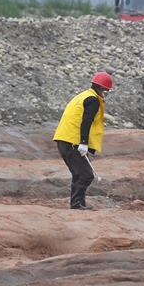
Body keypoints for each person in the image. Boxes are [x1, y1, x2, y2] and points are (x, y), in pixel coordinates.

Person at [52, 71, 112, 210]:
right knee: (86, 175)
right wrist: (83, 142)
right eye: (106, 90)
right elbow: (86, 121)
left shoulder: (83, 95)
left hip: (64, 139)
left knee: (79, 174)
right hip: (72, 141)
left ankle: (78, 204)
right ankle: (77, 205)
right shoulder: (92, 100)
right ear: (103, 89)